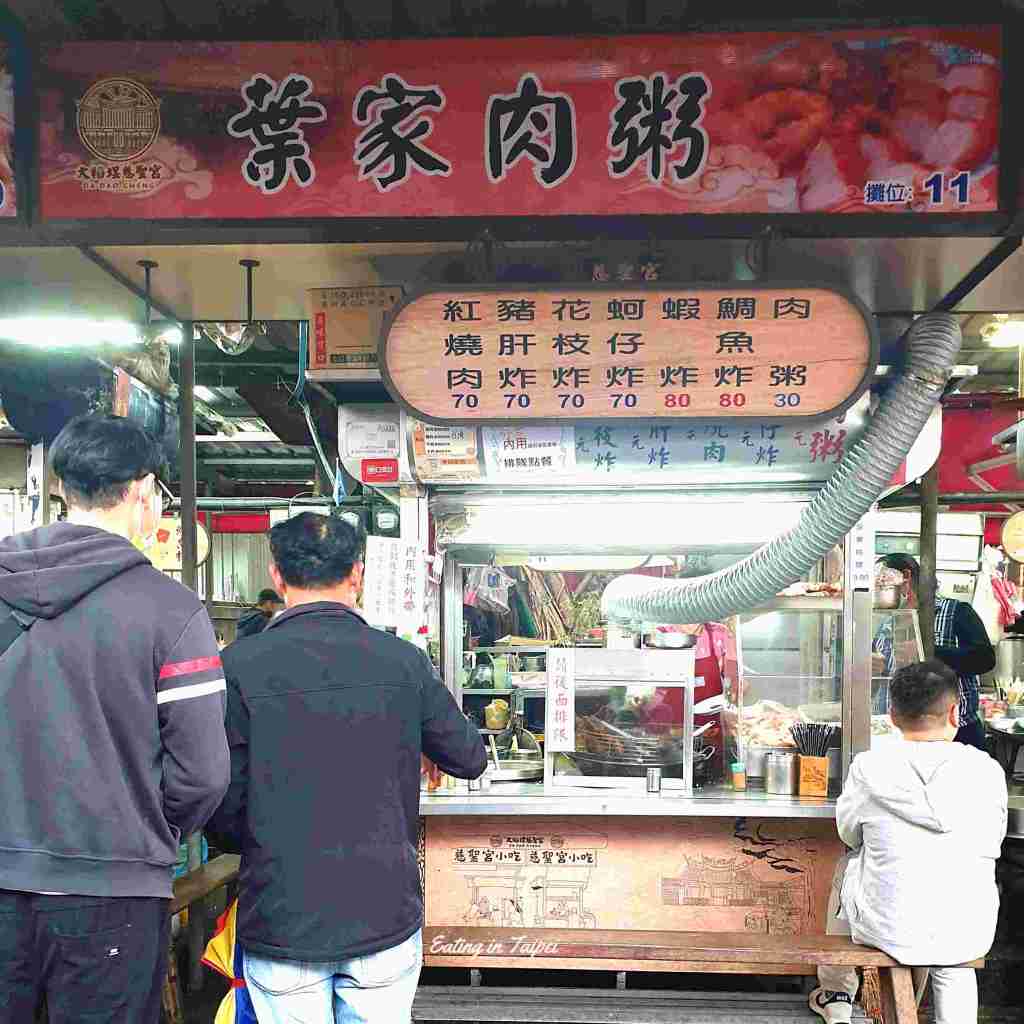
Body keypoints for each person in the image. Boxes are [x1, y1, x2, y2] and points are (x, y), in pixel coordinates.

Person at [206, 512, 486, 1024]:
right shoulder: (402, 661)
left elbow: (222, 802)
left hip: (281, 911)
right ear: (357, 574)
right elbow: (469, 757)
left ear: (277, 575)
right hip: (382, 909)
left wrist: (260, 846)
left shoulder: (238, 667)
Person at [0, 414, 230, 1024]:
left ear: (63, 489)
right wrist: (150, 832)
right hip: (115, 891)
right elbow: (203, 774)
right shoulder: (171, 612)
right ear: (143, 493)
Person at [810, 660, 1007, 1024]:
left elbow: (848, 834)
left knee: (846, 864)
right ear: (954, 711)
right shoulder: (986, 771)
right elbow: (993, 841)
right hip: (967, 926)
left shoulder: (870, 767)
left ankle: (837, 996)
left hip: (887, 927)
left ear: (892, 715)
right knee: (955, 956)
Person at [873, 553, 995, 750]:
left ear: (906, 576)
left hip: (957, 735)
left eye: (883, 580)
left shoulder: (957, 612)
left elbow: (985, 659)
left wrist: (929, 652)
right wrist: (871, 668)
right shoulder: (886, 623)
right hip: (897, 736)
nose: (879, 588)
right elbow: (876, 684)